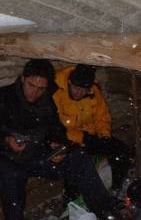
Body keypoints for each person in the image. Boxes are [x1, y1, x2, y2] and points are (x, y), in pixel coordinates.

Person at [0, 59, 120, 220]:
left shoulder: (45, 101)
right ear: (22, 78)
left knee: (77, 156)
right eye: (31, 85)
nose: (34, 92)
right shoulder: (1, 98)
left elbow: (56, 130)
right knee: (13, 175)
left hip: (32, 153)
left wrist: (57, 146)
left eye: (41, 88)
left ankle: (106, 213)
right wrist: (6, 140)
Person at [53, 64, 131, 193]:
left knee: (121, 152)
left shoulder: (93, 91)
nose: (79, 92)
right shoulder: (56, 92)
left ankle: (114, 190)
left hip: (90, 137)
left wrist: (104, 135)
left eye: (84, 89)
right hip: (66, 139)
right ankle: (71, 199)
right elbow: (55, 127)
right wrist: (82, 137)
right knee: (78, 161)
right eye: (76, 88)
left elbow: (102, 116)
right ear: (69, 82)